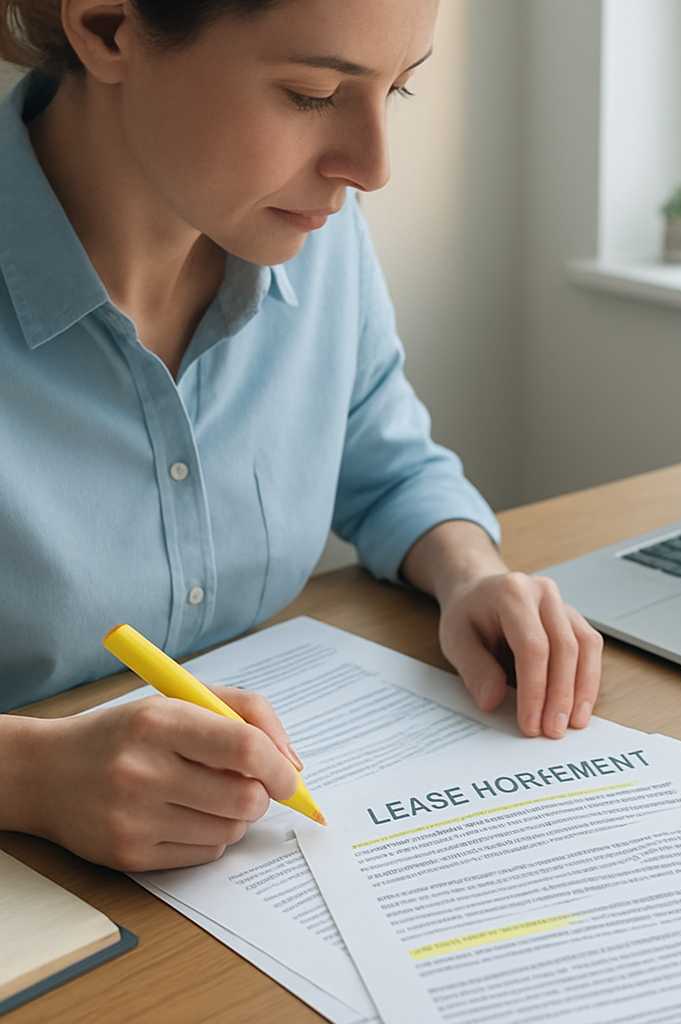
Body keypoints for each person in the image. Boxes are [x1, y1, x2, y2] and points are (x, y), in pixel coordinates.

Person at [0, 0, 603, 871]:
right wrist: (31, 777)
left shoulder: (311, 237)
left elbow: (385, 459)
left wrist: (471, 574)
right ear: (105, 27)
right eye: (313, 94)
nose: (373, 168)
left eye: (397, 89)